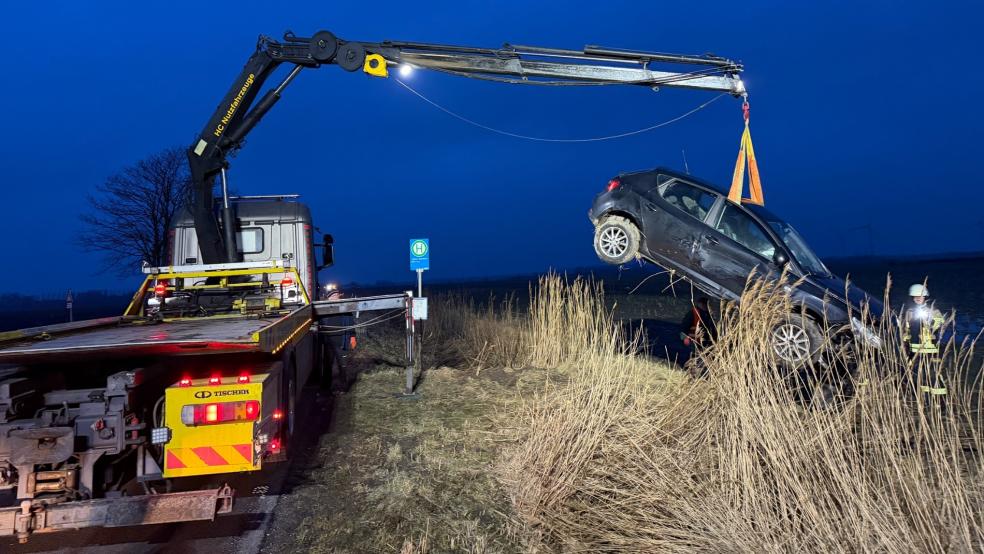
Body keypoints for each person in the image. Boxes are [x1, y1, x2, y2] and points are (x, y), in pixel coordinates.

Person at [902, 283, 946, 398]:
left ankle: (940, 400)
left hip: (929, 349)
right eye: (915, 296)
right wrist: (905, 342)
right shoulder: (909, 312)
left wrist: (930, 323)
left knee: (933, 373)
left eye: (920, 296)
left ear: (925, 297)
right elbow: (906, 329)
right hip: (914, 349)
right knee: (917, 373)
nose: (918, 298)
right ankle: (923, 397)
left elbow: (941, 325)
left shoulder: (933, 311)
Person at [680, 298, 717, 369]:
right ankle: (685, 368)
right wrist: (684, 338)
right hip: (693, 340)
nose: (706, 307)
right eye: (705, 305)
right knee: (690, 356)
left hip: (706, 342)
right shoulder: (692, 313)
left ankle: (698, 369)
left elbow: (712, 328)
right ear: (700, 304)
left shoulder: (709, 314)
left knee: (702, 358)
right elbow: (683, 327)